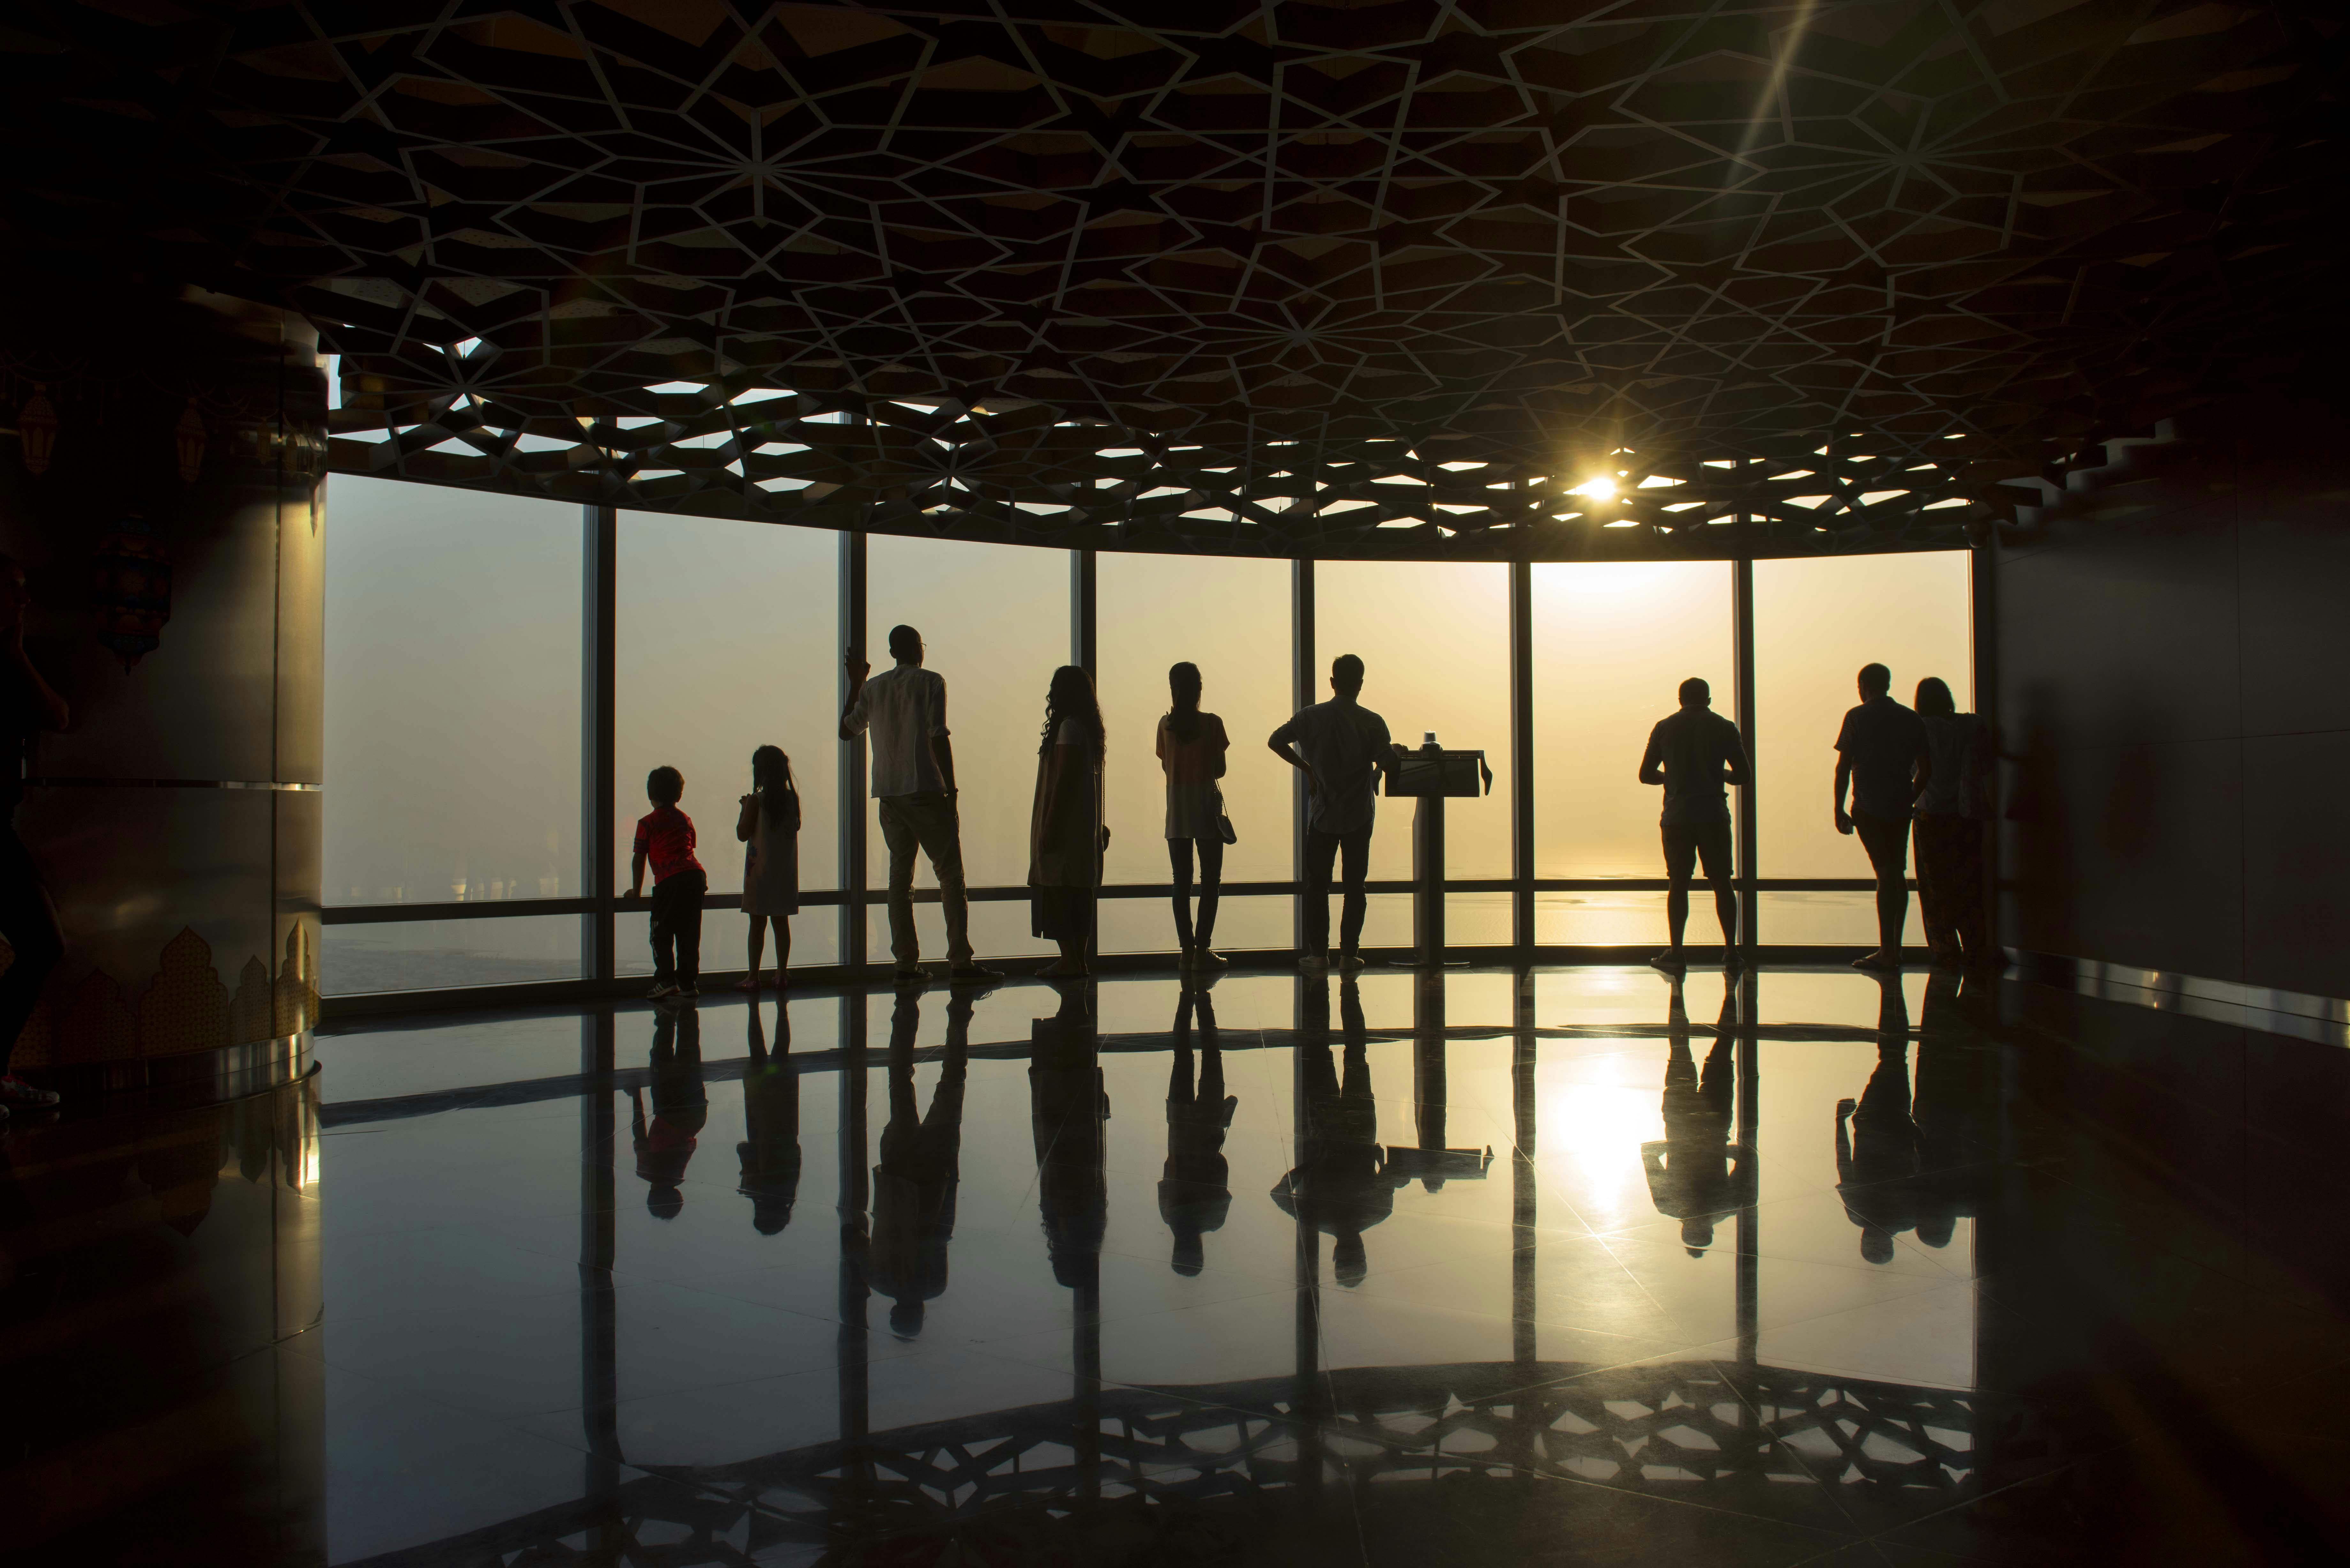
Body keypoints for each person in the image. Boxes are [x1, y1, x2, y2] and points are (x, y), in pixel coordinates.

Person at [841, 626, 998, 984]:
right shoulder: (931, 682)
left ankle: (906, 965)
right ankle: (960, 960)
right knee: (950, 875)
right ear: (917, 648)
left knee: (900, 881)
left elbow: (847, 730)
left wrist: (856, 683)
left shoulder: (873, 687)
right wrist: (951, 790)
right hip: (924, 789)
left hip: (889, 795)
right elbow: (937, 735)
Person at [1270, 654, 1399, 973]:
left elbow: (1275, 741)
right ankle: (1348, 955)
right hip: (1358, 814)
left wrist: (1308, 769)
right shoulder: (1372, 721)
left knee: (1318, 886)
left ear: (1332, 682)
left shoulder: (1309, 717)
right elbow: (1388, 761)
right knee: (1355, 887)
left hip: (1322, 815)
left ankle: (1318, 954)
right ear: (1360, 684)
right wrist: (1387, 761)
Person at [0, 555, 66, 1121]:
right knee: (44, 944)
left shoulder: (12, 661)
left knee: (44, 945)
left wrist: (16, 655)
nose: (24, 602)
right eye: (14, 592)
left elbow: (59, 715)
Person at [870, 984, 970, 1339]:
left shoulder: (933, 1286)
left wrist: (951, 1173)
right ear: (895, 1311)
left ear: (920, 1314)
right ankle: (905, 1017)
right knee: (899, 1082)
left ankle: (960, 1018)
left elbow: (941, 1231)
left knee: (952, 1082)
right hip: (897, 1170)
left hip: (931, 1175)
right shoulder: (879, 1278)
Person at [1638, 676, 1751, 974]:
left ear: (1680, 700)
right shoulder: (1725, 727)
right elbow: (1743, 775)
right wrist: (1720, 775)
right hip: (1713, 813)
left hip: (1678, 815)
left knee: (1679, 883)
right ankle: (1731, 951)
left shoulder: (1664, 727)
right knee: (1721, 882)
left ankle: (1676, 952)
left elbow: (1646, 774)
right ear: (1709, 700)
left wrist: (1672, 778)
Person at [1639, 976, 1754, 1255]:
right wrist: (1682, 1147)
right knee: (1679, 1048)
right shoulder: (1668, 1205)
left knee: (1723, 1048)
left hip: (1715, 1123)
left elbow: (1745, 1157)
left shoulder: (1727, 1205)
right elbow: (1649, 1154)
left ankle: (1729, 991)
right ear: (1684, 1228)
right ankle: (1679, 990)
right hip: (1680, 1120)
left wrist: (1714, 1151)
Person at [1833, 663, 1930, 971]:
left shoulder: (1856, 717)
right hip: (1899, 807)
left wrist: (1838, 808)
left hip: (1869, 807)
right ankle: (1894, 948)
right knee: (1895, 873)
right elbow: (1926, 770)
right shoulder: (1910, 718)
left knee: (1886, 873)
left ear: (1864, 685)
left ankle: (1888, 951)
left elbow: (1843, 767)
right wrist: (1908, 800)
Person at [1834, 978, 1921, 1264]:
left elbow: (1923, 1170)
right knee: (1891, 1058)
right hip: (1870, 1122)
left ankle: (1893, 994)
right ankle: (1892, 993)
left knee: (1896, 1060)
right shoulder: (1857, 1213)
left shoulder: (1907, 1217)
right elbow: (1843, 1162)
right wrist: (1840, 1122)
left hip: (1897, 1124)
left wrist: (1917, 1134)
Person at [1028, 664, 1107, 978]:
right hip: (1082, 823)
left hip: (1065, 821)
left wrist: (1050, 824)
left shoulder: (1068, 729)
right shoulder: (1088, 731)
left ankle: (1069, 959)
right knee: (1079, 890)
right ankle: (1078, 959)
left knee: (1058, 888)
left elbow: (1063, 780)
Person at [1911, 677, 1992, 969]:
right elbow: (1986, 763)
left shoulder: (1920, 728)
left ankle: (1945, 950)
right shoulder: (1971, 725)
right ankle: (1975, 947)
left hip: (1930, 814)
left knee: (1935, 887)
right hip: (1966, 815)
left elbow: (1913, 770)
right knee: (1969, 882)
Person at [1158, 662, 1230, 970]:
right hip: (1205, 810)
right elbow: (1221, 770)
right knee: (1210, 882)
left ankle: (1186, 953)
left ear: (1172, 689)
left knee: (1181, 883)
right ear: (1199, 690)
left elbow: (1166, 764)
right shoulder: (1213, 724)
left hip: (1177, 812)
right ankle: (1203, 952)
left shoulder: (1165, 725)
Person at [1160, 984, 1236, 1275]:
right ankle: (1187, 997)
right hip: (1180, 1126)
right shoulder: (1169, 1215)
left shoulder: (1215, 1219)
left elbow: (1221, 1168)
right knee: (1182, 1056)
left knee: (1211, 1055)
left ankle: (1201, 998)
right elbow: (1170, 1167)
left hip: (1208, 1125)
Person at [627, 765, 705, 999]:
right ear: (679, 795)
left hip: (669, 880)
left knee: (660, 932)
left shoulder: (647, 823)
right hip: (695, 876)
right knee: (688, 933)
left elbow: (639, 858)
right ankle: (688, 983)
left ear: (651, 795)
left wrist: (637, 891)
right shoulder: (685, 819)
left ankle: (666, 980)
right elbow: (693, 843)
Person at [734, 744, 800, 991]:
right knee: (781, 924)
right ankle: (782, 973)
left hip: (760, 874)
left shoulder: (756, 801)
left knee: (757, 925)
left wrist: (743, 808)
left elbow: (743, 834)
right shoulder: (791, 800)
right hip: (785, 874)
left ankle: (753, 976)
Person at [630, 1004, 706, 1220]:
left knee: (689, 1053)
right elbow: (639, 1132)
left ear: (678, 1196)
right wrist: (637, 1094)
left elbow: (690, 1142)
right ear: (651, 1196)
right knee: (661, 1056)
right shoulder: (647, 1171)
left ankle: (688, 1010)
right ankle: (666, 1012)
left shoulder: (680, 1171)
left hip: (696, 1115)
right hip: (668, 1110)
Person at [737, 995, 802, 1235]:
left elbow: (797, 1154)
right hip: (761, 1119)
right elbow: (745, 1152)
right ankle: (755, 1011)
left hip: (784, 1121)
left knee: (780, 1054)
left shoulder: (789, 1189)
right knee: (758, 1054)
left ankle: (781, 1010)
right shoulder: (756, 1190)